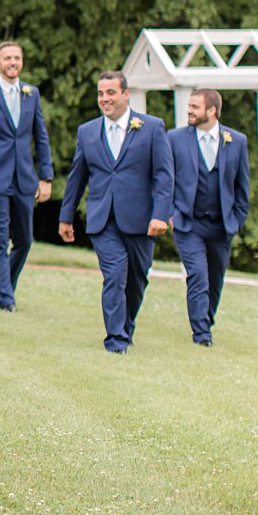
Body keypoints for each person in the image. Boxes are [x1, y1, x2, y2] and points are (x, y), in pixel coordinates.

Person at [58, 71, 173, 353]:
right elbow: (77, 177)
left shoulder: (152, 127)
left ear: (125, 94)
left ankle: (126, 327)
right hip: (102, 219)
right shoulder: (87, 131)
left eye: (110, 92)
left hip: (141, 220)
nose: (105, 99)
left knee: (137, 278)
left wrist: (161, 214)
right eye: (100, 93)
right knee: (114, 275)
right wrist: (66, 216)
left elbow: (163, 175)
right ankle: (116, 339)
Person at [0, 41, 54, 312]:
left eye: (17, 58)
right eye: (7, 58)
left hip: (24, 178)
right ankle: (6, 299)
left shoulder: (32, 93)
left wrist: (46, 177)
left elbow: (40, 137)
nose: (12, 62)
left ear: (21, 62)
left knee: (25, 240)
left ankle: (5, 282)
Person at [168, 89, 250, 346]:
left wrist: (236, 220)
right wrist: (170, 213)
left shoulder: (236, 141)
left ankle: (206, 320)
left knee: (215, 279)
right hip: (188, 223)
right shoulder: (174, 139)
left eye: (195, 106)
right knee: (197, 275)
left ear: (212, 111)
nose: (189, 111)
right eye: (189, 106)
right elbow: (164, 179)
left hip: (222, 224)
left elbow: (242, 186)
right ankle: (201, 334)